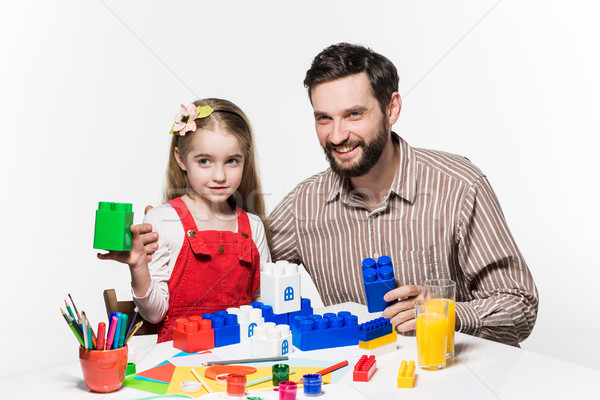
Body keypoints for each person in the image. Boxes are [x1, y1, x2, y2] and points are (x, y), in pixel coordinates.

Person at [268, 43, 538, 346]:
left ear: (391, 108)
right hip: (360, 385)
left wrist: (443, 313)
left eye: (354, 114)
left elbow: (520, 307)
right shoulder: (302, 204)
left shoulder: (460, 186)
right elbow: (237, 276)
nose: (337, 135)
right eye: (324, 118)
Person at [98, 98, 271, 342]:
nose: (220, 176)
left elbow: (263, 304)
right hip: (180, 360)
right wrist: (138, 266)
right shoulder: (162, 220)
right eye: (204, 161)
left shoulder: (253, 226)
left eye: (232, 161)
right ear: (181, 159)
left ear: (245, 159)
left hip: (240, 356)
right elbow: (155, 315)